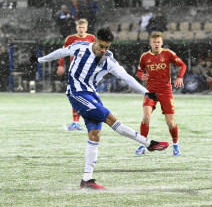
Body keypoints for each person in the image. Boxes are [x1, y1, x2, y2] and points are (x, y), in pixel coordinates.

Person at [29, 28, 169, 190]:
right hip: (76, 93)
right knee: (111, 118)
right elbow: (61, 52)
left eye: (107, 47)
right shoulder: (80, 47)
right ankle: (149, 143)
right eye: (101, 46)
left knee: (95, 135)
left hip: (92, 95)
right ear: (95, 40)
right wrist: (40, 60)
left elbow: (126, 77)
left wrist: (146, 92)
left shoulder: (108, 60)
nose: (103, 50)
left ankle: (87, 179)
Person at [135, 32, 186, 156]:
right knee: (146, 117)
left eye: (158, 42)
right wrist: (142, 76)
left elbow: (182, 65)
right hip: (150, 91)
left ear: (161, 43)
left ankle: (175, 144)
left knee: (170, 122)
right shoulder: (145, 57)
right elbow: (139, 71)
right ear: (150, 43)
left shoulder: (168, 54)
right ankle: (142, 144)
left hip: (165, 91)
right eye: (154, 42)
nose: (156, 44)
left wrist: (179, 77)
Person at [57, 18, 96, 131]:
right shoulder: (71, 39)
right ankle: (75, 122)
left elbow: (96, 52)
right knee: (75, 95)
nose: (81, 29)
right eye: (79, 27)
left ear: (86, 28)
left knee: (88, 95)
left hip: (88, 71)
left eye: (83, 27)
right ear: (76, 28)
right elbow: (63, 52)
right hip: (75, 71)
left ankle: (88, 119)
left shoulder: (92, 38)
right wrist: (60, 65)